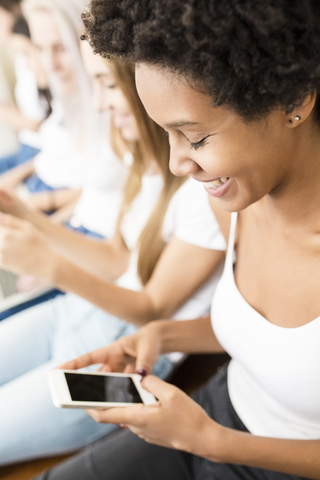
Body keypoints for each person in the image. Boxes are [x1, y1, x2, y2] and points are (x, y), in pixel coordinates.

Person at [31, 0, 320, 479]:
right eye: (167, 134)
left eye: (196, 137)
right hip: (212, 414)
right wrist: (161, 334)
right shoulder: (235, 203)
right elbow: (280, 346)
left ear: (293, 100)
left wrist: (212, 441)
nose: (176, 164)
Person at [0, 43, 225, 464]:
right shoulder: (146, 161)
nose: (100, 103)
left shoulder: (204, 192)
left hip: (122, 349)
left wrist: (50, 264)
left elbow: (151, 307)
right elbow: (121, 261)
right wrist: (29, 217)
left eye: (107, 84)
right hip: (77, 312)